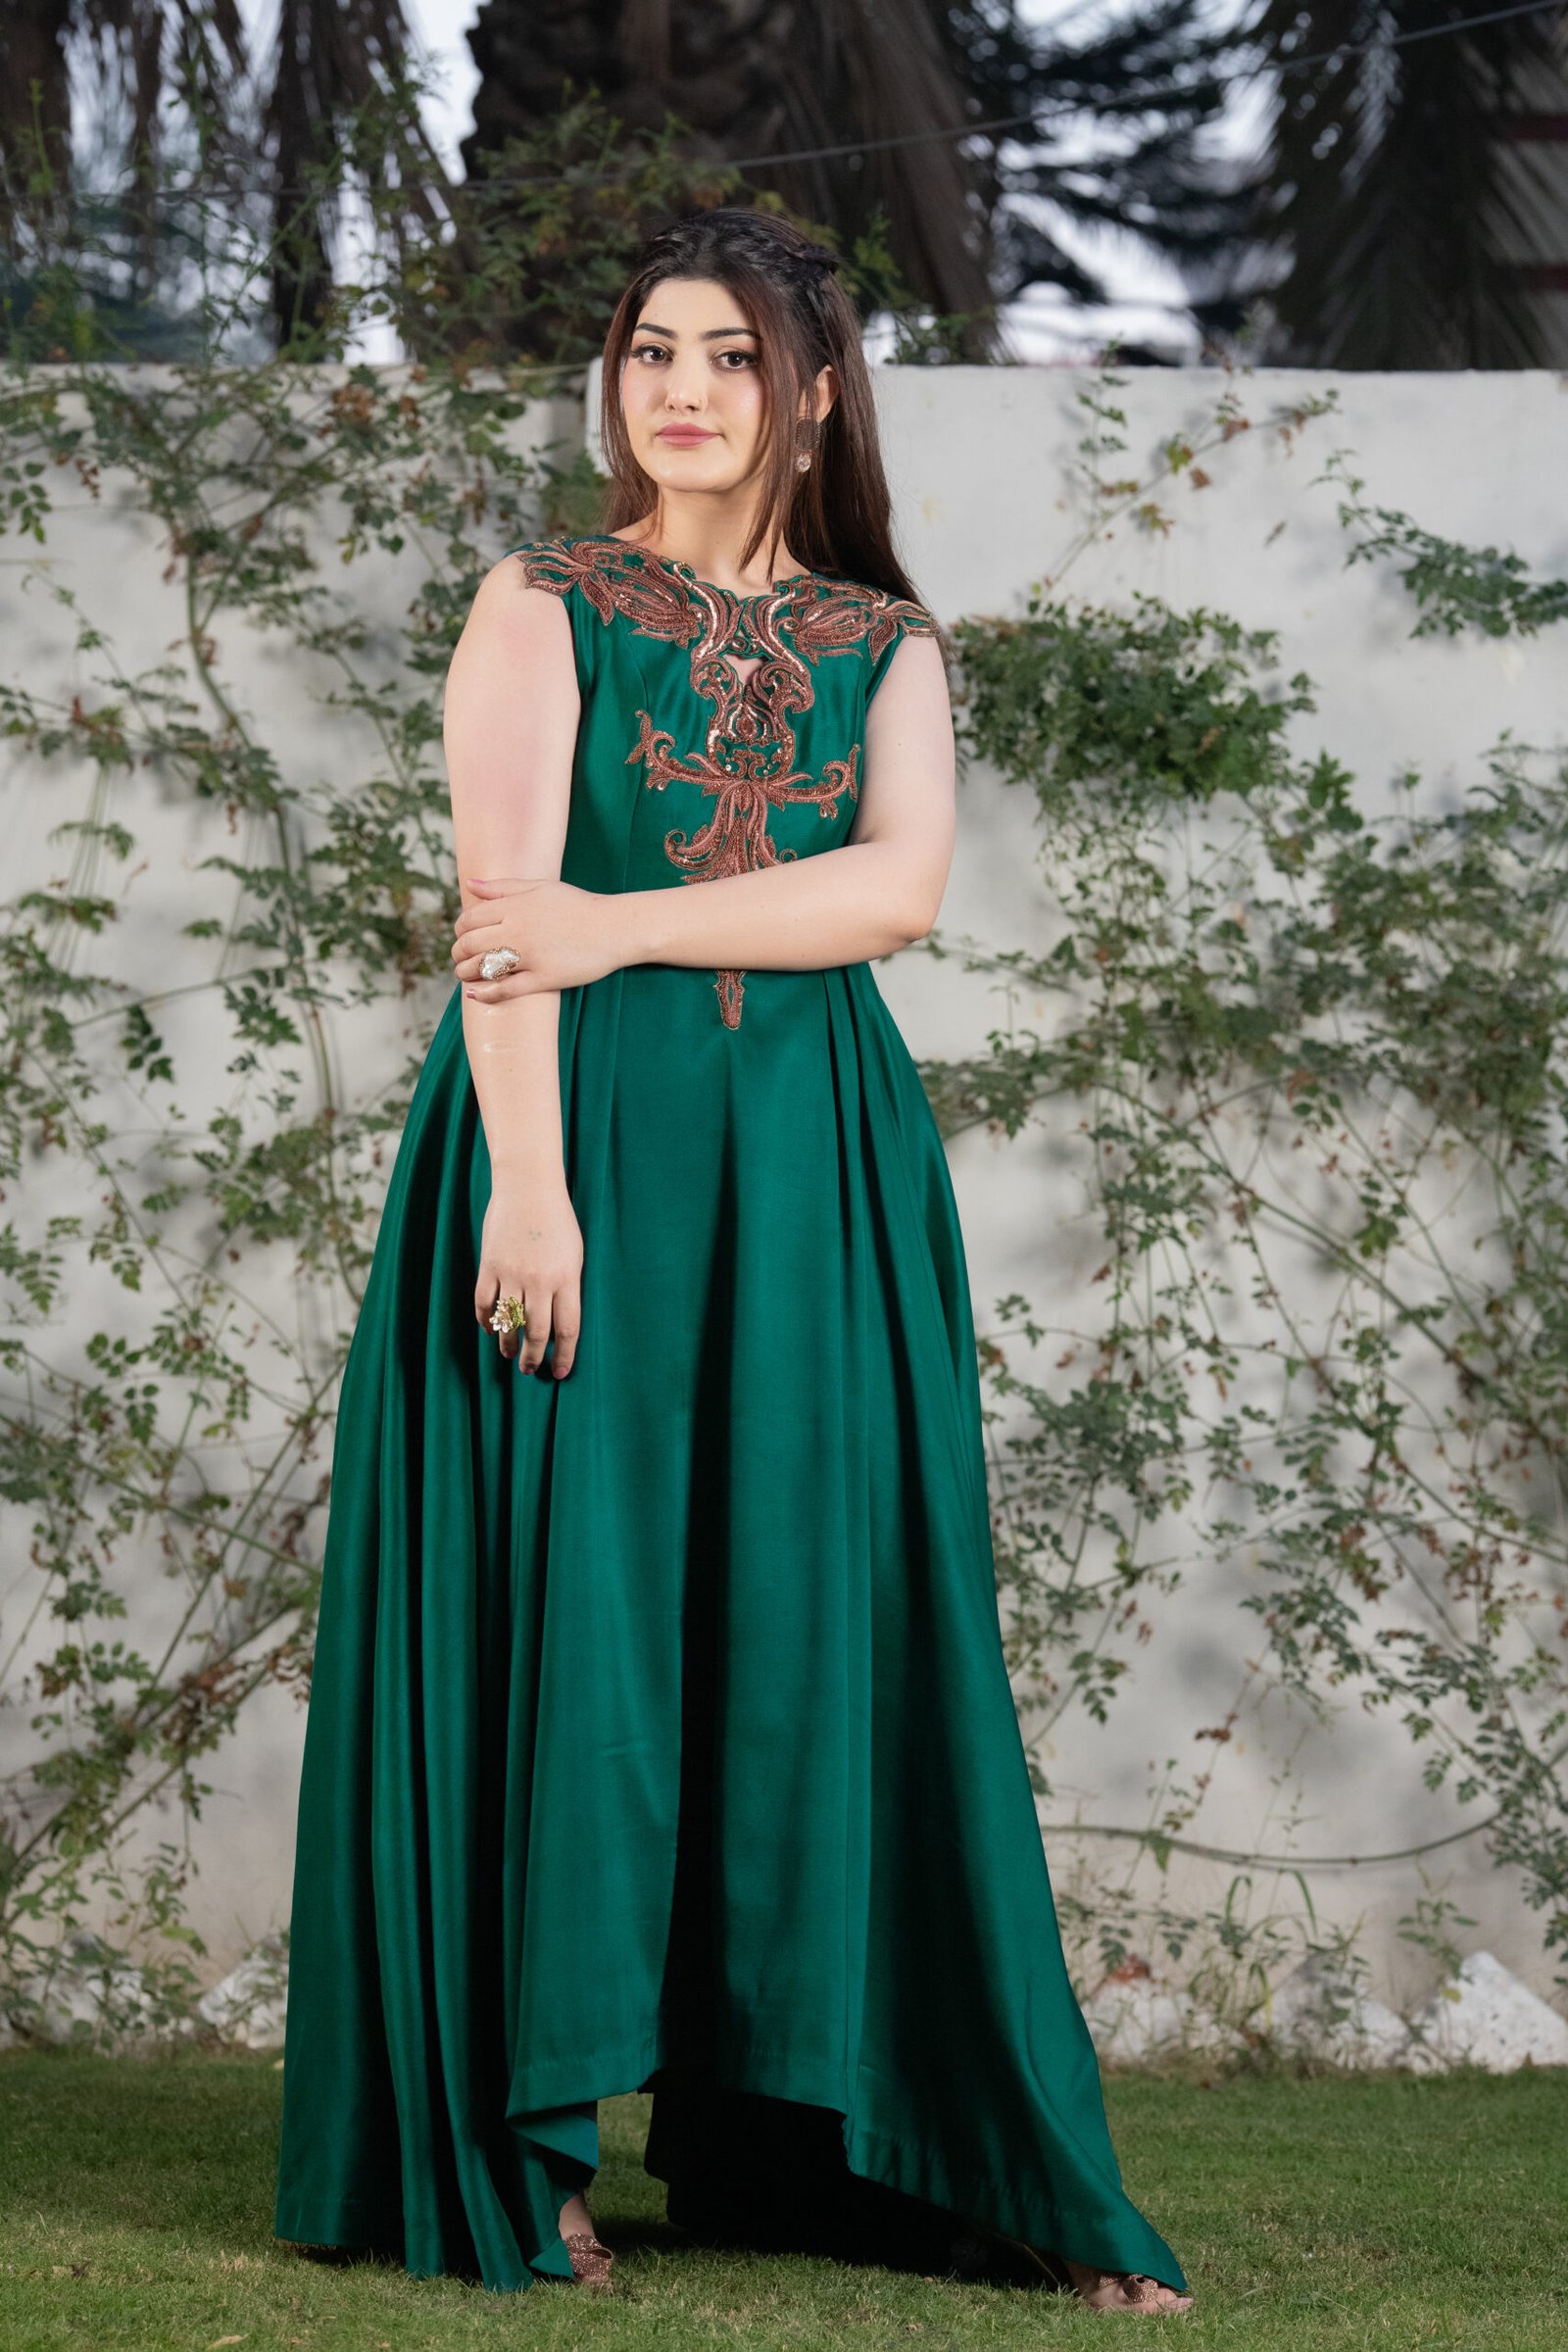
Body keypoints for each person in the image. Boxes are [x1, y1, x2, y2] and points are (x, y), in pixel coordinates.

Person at [270, 204, 1194, 2319]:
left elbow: (894, 891)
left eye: (728, 356)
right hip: (571, 1152)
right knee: (566, 1620)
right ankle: (510, 2146)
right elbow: (500, 923)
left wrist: (621, 922)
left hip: (813, 1177)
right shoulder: (541, 603)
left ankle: (846, 2141)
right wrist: (527, 1188)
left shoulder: (886, 643)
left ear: (815, 392)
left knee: (812, 1622)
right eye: (649, 351)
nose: (678, 391)